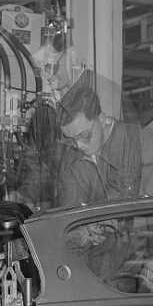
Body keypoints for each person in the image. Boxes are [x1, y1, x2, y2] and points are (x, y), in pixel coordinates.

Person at [55, 74, 143, 207]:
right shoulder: (72, 157)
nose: (78, 146)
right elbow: (69, 213)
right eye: (70, 140)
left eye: (84, 136)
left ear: (102, 119)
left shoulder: (139, 145)